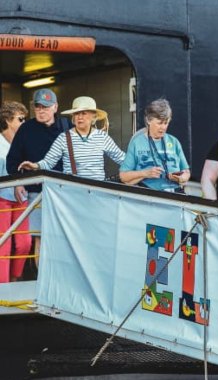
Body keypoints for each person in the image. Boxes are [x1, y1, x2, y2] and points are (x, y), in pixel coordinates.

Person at [6, 88, 71, 265]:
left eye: (46, 107)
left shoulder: (68, 127)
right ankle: (41, 281)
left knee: (66, 239)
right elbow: (12, 161)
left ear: (55, 107)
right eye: (38, 106)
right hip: (36, 194)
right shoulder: (26, 129)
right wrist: (18, 183)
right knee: (40, 239)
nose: (41, 110)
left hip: (66, 194)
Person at [18, 96, 125, 181]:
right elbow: (48, 162)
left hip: (97, 191)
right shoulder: (64, 138)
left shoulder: (102, 137)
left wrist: (139, 167)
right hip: (72, 192)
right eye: (76, 113)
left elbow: (121, 158)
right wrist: (35, 166)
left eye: (84, 113)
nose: (80, 117)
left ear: (94, 116)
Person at [119, 99, 190, 193]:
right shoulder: (137, 142)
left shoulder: (174, 142)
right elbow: (123, 176)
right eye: (159, 123)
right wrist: (145, 173)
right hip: (149, 195)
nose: (163, 127)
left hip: (176, 193)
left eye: (166, 123)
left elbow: (186, 172)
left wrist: (181, 178)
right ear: (148, 120)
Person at [0, 101, 32, 283]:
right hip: (2, 199)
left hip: (22, 199)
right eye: (20, 119)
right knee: (2, 245)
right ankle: (3, 288)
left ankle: (14, 279)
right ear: (8, 120)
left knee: (24, 243)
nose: (24, 122)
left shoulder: (24, 142)